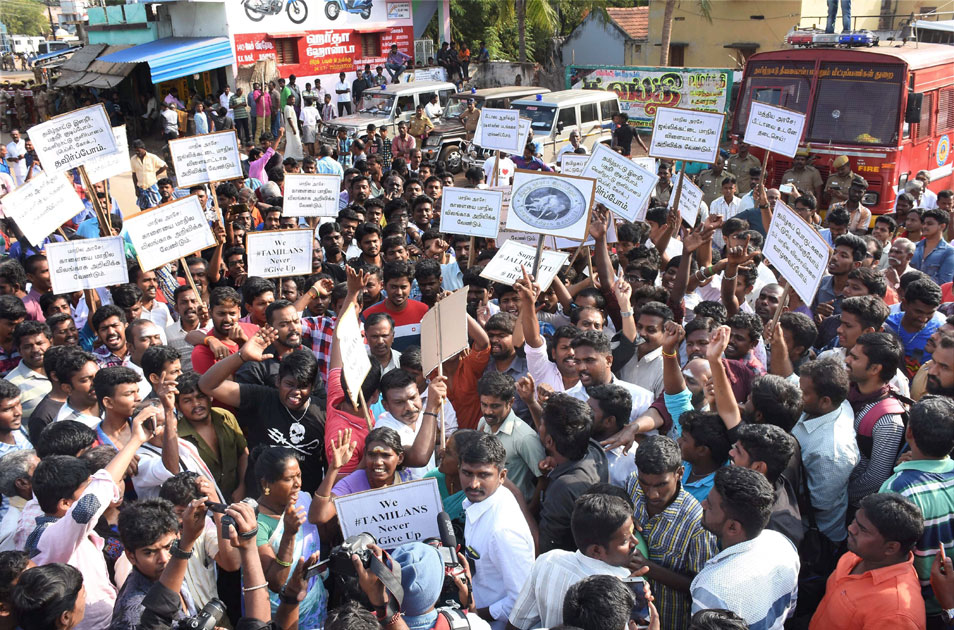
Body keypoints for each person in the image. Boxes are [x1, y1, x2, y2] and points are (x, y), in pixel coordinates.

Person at [27, 407, 154, 629]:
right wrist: (134, 441)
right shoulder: (50, 538)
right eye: (85, 487)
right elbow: (90, 504)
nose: (92, 489)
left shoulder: (65, 530)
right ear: (65, 504)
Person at [197, 331, 326, 494]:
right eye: (289, 384)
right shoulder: (261, 398)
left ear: (312, 387)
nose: (296, 392)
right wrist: (241, 356)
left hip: (304, 504)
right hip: (259, 499)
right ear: (278, 381)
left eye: (302, 386)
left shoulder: (323, 412)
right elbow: (207, 385)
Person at [626, 435, 718, 630]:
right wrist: (624, 518)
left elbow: (700, 587)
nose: (651, 494)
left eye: (661, 485)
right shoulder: (633, 484)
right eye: (645, 483)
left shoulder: (697, 524)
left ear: (680, 473)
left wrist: (648, 567)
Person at [691, 466, 800, 629]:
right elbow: (789, 610)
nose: (703, 504)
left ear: (733, 528)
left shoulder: (712, 588)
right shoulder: (783, 545)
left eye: (711, 505)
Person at [507, 493, 636, 629]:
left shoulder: (548, 561)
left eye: (633, 533)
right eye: (625, 541)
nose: (635, 542)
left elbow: (517, 623)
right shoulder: (621, 584)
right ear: (596, 551)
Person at [810, 492, 926, 629]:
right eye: (855, 521)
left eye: (863, 530)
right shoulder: (861, 554)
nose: (851, 528)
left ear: (891, 548)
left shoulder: (896, 615)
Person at [461, 433, 534, 630]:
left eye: (483, 475)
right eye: (467, 473)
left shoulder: (503, 531)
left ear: (502, 476)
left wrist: (477, 613)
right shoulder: (482, 501)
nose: (473, 483)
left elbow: (523, 601)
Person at [250, 446, 326, 628]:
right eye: (288, 479)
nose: (298, 483)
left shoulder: (303, 500)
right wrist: (289, 534)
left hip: (313, 604)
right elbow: (276, 582)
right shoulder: (255, 523)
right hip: (281, 614)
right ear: (266, 484)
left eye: (298, 475)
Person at [537, 394, 605, 553]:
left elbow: (544, 547)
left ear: (549, 442)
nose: (538, 428)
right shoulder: (593, 450)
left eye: (540, 424)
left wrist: (515, 494)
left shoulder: (564, 487)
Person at [109, 499, 181, 629]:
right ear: (131, 556)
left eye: (168, 546)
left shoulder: (172, 570)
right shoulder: (136, 616)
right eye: (149, 553)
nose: (164, 559)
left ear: (178, 536)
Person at [476, 371, 545, 500]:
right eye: (484, 405)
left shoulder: (525, 438)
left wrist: (529, 510)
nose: (488, 411)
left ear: (511, 402)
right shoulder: (482, 424)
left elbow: (543, 478)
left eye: (495, 406)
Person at [130, 140, 167, 210]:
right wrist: (136, 189)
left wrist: (155, 174)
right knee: (143, 210)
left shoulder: (152, 157)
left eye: (138, 150)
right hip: (141, 189)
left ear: (143, 148)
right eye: (135, 151)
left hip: (152, 187)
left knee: (157, 208)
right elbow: (134, 175)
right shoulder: (133, 159)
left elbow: (164, 166)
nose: (137, 153)